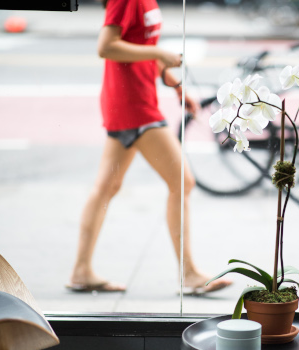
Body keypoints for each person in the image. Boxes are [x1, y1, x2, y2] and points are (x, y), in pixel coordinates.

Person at [66, 0, 232, 294]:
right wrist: (159, 53)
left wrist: (174, 83)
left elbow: (138, 44)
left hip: (133, 100)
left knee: (106, 188)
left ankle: (81, 270)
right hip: (134, 106)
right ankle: (190, 273)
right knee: (182, 182)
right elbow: (107, 46)